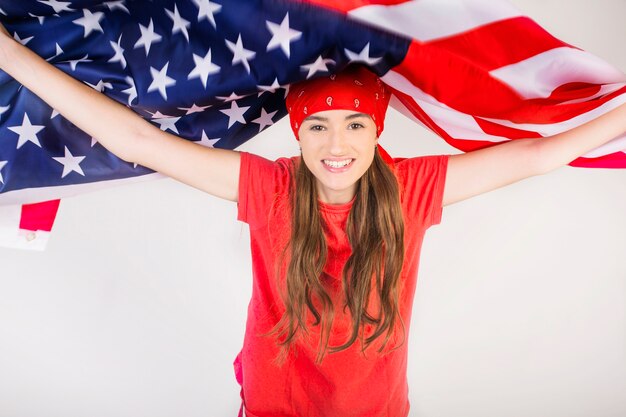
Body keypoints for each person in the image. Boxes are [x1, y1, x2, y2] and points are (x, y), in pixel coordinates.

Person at [0, 21, 625, 417]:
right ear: (297, 135)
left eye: (355, 125)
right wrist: (10, 53)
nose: (336, 143)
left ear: (377, 132)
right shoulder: (269, 188)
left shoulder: (414, 186)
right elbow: (138, 141)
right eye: (318, 126)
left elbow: (539, 153)